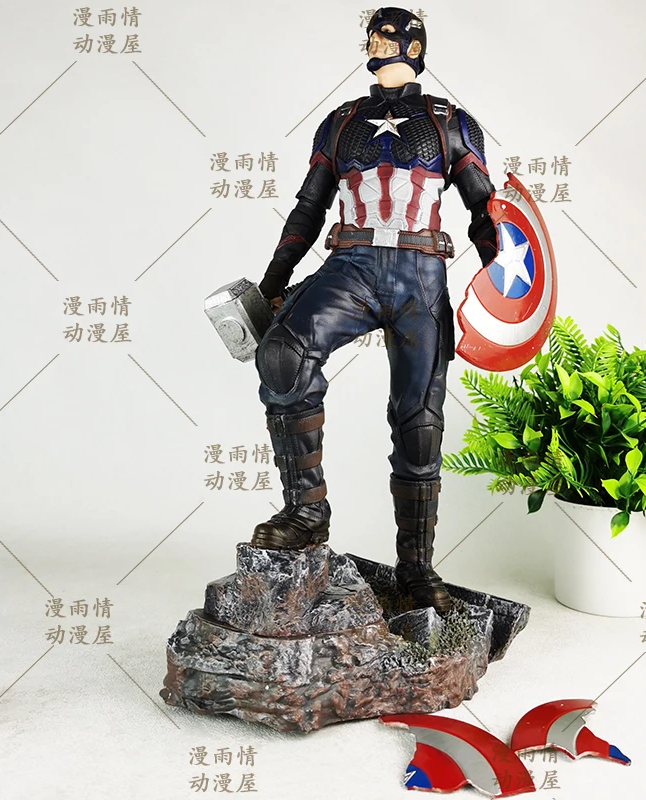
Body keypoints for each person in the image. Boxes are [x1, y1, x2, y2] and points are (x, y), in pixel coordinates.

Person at [251, 7, 498, 614]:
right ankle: (306, 513)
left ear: (414, 45)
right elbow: (308, 209)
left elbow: (487, 210)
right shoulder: (341, 122)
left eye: (386, 34)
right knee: (283, 353)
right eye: (372, 34)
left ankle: (415, 568)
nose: (374, 42)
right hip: (352, 267)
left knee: (420, 422)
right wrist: (273, 283)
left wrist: (503, 283)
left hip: (421, 276)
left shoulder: (450, 122)